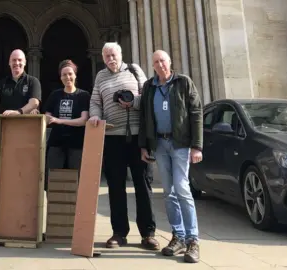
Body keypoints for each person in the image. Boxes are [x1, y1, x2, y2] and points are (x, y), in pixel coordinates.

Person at [88, 42, 159, 250]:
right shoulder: (101, 76)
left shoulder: (134, 70)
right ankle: (119, 233)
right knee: (116, 187)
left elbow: (148, 97)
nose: (111, 59)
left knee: (143, 185)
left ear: (121, 54)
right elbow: (95, 101)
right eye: (107, 56)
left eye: (114, 55)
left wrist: (132, 103)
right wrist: (95, 116)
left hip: (138, 138)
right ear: (103, 58)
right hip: (112, 137)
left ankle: (148, 234)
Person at [138, 50, 203, 263]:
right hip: (160, 144)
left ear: (170, 62)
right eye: (156, 62)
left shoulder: (183, 82)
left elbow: (196, 112)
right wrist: (145, 146)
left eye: (163, 60)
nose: (160, 64)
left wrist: (197, 146)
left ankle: (193, 240)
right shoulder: (149, 86)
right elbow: (145, 117)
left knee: (182, 188)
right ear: (153, 66)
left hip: (181, 144)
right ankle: (178, 236)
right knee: (168, 191)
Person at [44, 60, 90, 188]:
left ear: (75, 75)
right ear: (60, 77)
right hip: (56, 143)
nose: (67, 77)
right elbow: (47, 117)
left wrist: (59, 120)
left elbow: (83, 120)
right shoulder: (55, 95)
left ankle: (76, 208)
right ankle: (54, 207)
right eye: (64, 75)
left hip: (77, 144)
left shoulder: (83, 95)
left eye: (70, 74)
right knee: (53, 180)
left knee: (77, 180)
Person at [0, 49, 41, 125]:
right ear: (9, 63)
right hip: (5, 126)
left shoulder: (33, 81)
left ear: (25, 62)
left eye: (20, 60)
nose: (16, 63)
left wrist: (18, 112)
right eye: (14, 60)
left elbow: (34, 103)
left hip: (27, 125)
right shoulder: (1, 83)